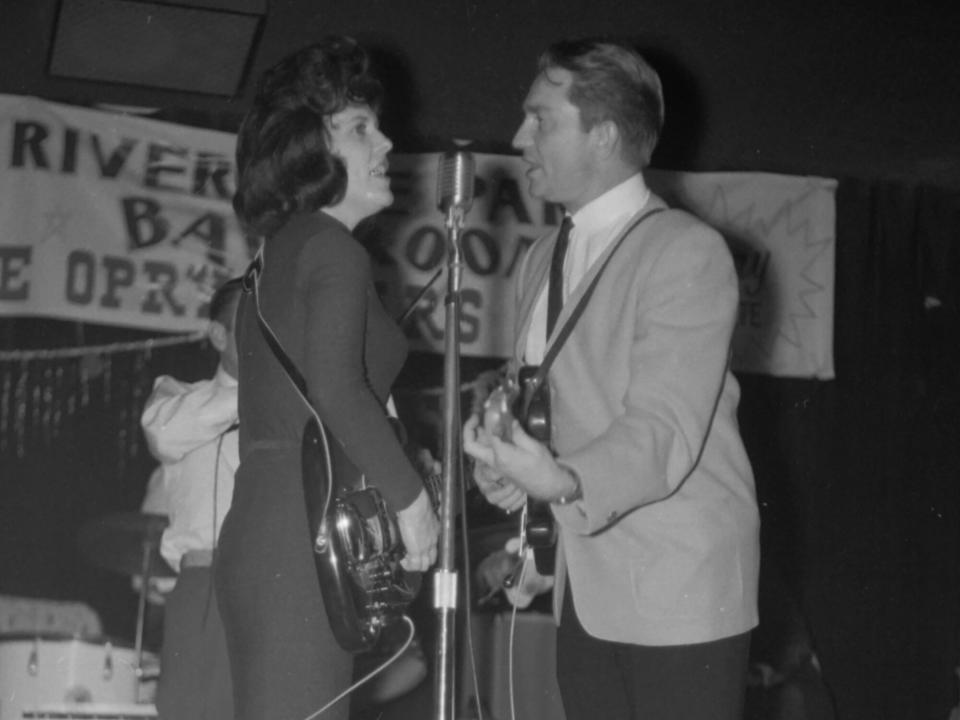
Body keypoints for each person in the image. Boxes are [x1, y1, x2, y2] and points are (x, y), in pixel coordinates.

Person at [463, 38, 760, 720]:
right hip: (585, 591)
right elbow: (538, 403)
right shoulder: (540, 258)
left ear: (603, 136)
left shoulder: (685, 250)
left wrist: (562, 481)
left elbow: (663, 431)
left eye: (542, 120)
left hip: (678, 592)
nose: (519, 137)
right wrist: (510, 464)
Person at [215, 35, 440, 720]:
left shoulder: (279, 253)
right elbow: (337, 390)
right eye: (360, 127)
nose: (388, 143)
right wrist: (415, 506)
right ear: (308, 144)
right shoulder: (333, 249)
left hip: (265, 531)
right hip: (302, 541)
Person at [139, 277, 243, 720]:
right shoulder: (177, 394)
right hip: (207, 588)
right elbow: (164, 433)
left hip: (282, 586)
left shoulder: (296, 407)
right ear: (219, 334)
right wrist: (265, 393)